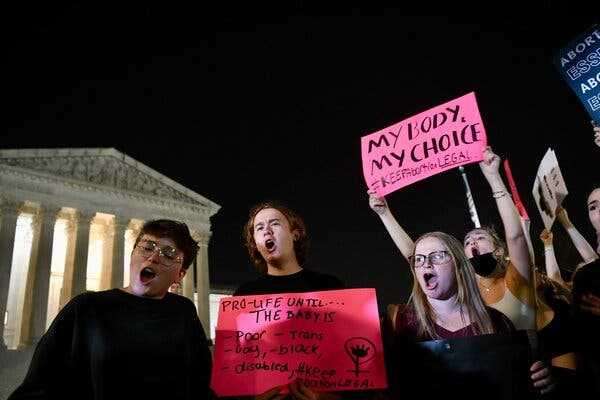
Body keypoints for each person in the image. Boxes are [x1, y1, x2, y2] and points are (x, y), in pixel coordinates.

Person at [10, 219, 213, 400]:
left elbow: (200, 383)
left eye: (169, 254)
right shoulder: (86, 308)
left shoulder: (183, 312)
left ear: (180, 275)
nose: (153, 258)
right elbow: (40, 385)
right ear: (133, 253)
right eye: (148, 247)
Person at [385, 232, 554, 397]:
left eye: (437, 256)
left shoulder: (496, 321)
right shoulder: (399, 322)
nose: (426, 264)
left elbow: (515, 378)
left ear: (459, 265)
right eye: (419, 259)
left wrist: (539, 378)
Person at [234, 201, 344, 400]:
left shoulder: (330, 286)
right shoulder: (245, 295)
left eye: (274, 223)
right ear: (255, 244)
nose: (267, 230)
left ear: (295, 234)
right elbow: (237, 363)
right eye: (259, 228)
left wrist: (327, 397)